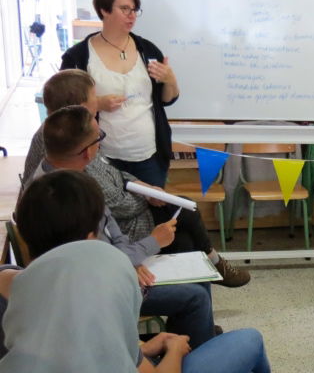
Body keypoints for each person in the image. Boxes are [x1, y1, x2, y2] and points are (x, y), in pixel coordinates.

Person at [0, 171, 271, 373]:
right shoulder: (105, 283)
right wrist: (175, 350)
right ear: (92, 235)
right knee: (251, 339)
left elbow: (85, 350)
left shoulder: (8, 281)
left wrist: (145, 348)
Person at [21, 70, 248, 287]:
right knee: (186, 219)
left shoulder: (75, 134)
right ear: (78, 106)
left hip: (119, 230)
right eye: (94, 96)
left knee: (186, 231)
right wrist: (147, 207)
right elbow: (113, 213)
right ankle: (214, 267)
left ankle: (209, 275)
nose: (98, 100)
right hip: (120, 232)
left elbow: (111, 172)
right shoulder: (71, 150)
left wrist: (143, 187)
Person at [32, 106, 215, 348]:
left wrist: (133, 258)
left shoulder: (72, 177)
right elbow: (100, 262)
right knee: (196, 296)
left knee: (195, 265)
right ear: (87, 151)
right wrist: (152, 243)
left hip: (114, 267)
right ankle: (191, 349)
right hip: (99, 289)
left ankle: (192, 339)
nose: (101, 143)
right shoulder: (63, 199)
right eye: (99, 137)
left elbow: (112, 232)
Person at [60, 0, 179, 187]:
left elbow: (167, 99)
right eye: (124, 9)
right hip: (101, 158)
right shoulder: (78, 57)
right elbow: (63, 106)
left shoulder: (147, 50)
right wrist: (97, 103)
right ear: (104, 10)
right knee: (107, 207)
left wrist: (170, 80)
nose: (132, 15)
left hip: (149, 156)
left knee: (154, 206)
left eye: (135, 10)